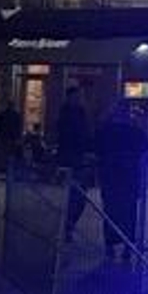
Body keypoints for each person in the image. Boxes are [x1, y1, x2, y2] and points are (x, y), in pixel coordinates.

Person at [94, 100, 148, 263]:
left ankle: (111, 245)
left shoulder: (106, 130)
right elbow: (146, 151)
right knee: (128, 211)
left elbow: (96, 149)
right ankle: (126, 246)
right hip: (128, 176)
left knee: (111, 210)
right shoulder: (134, 131)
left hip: (111, 176)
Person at [57, 87, 93, 242]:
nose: (79, 99)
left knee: (78, 197)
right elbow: (66, 136)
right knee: (75, 196)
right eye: (77, 96)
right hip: (72, 159)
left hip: (78, 159)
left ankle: (68, 225)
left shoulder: (80, 113)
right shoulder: (68, 115)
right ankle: (67, 226)